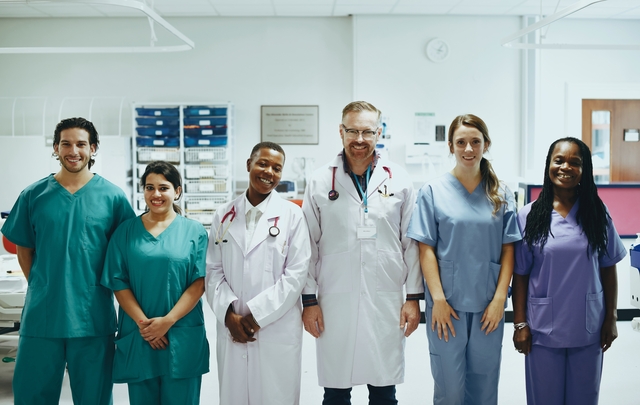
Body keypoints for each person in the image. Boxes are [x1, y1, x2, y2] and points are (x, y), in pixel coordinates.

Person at [0, 117, 135, 405]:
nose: (74, 150)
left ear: (93, 148)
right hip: (43, 315)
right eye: (66, 144)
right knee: (32, 394)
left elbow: (125, 254)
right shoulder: (34, 195)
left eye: (81, 144)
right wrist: (43, 283)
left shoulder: (112, 197)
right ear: (55, 148)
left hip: (92, 316)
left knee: (94, 397)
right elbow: (24, 250)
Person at [301, 101, 423, 404]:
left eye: (367, 131)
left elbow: (412, 244)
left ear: (379, 132)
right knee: (336, 390)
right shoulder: (319, 181)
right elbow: (307, 245)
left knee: (384, 390)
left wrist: (413, 299)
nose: (359, 139)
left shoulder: (399, 178)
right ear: (341, 131)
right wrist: (308, 300)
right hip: (333, 298)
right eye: (352, 130)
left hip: (386, 298)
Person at [406, 114, 521, 405]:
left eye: (475, 142)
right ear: (451, 146)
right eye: (461, 142)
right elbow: (425, 249)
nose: (468, 149)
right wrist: (438, 300)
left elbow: (509, 249)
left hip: (487, 306)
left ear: (486, 145)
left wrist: (499, 301)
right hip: (447, 307)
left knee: (483, 388)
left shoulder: (501, 193)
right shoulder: (432, 192)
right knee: (450, 389)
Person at [512, 137, 626, 405]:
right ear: (548, 165)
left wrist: (611, 317)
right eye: (559, 160)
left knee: (584, 398)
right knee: (545, 399)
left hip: (588, 326)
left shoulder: (598, 213)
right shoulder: (529, 216)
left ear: (584, 171)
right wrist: (520, 324)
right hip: (542, 329)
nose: (566, 167)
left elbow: (608, 268)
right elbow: (520, 275)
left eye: (575, 162)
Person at [205, 142, 311, 405]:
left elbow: (296, 275)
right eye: (263, 163)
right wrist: (229, 315)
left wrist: (255, 317)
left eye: (277, 168)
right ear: (249, 165)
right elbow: (212, 269)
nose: (269, 172)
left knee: (276, 395)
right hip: (232, 325)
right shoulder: (224, 215)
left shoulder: (292, 215)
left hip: (276, 327)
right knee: (235, 395)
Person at [101, 161, 209, 404]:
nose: (156, 194)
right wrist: (146, 326)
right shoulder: (125, 232)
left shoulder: (195, 232)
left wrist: (167, 322)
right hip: (140, 335)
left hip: (180, 333)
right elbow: (119, 283)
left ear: (177, 191)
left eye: (164, 188)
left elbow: (199, 282)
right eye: (150, 188)